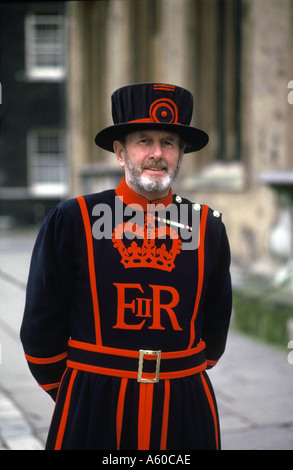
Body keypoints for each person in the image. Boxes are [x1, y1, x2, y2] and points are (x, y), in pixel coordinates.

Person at [20, 83, 232, 450]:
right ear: (120, 152)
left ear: (181, 155)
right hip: (93, 401)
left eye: (168, 142)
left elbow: (214, 329)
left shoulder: (208, 226)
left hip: (184, 403)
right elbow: (41, 330)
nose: (156, 153)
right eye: (144, 140)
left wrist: (177, 376)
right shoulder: (73, 219)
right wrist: (80, 391)